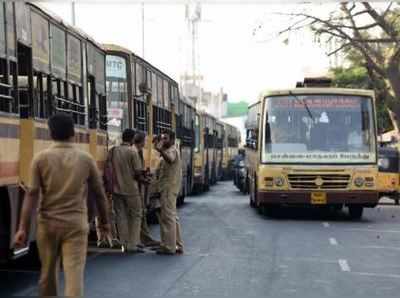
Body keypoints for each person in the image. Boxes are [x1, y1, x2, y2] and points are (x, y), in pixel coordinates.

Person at [14, 113, 110, 297]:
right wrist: (104, 222)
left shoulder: (41, 159)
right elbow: (98, 194)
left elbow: (31, 195)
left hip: (48, 225)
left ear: (50, 133)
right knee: (74, 276)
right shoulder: (85, 159)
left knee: (48, 275)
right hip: (76, 224)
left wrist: (22, 228)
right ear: (73, 132)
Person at [111, 128, 144, 253]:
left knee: (120, 215)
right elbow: (137, 171)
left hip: (116, 189)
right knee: (136, 215)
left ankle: (124, 243)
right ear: (132, 139)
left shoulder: (114, 150)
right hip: (131, 189)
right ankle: (133, 244)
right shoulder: (132, 152)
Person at [155, 130, 184, 255]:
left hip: (168, 189)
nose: (163, 141)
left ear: (172, 140)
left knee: (168, 218)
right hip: (168, 188)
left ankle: (168, 246)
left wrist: (160, 150)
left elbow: (170, 160)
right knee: (172, 217)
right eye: (162, 138)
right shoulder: (169, 150)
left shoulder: (172, 150)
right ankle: (177, 244)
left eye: (166, 138)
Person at [132, 131, 161, 247]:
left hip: (139, 187)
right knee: (138, 214)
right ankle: (137, 240)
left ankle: (145, 238)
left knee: (142, 213)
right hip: (134, 187)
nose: (145, 143)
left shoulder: (138, 152)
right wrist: (144, 178)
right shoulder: (134, 152)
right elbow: (134, 172)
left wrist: (144, 174)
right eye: (144, 141)